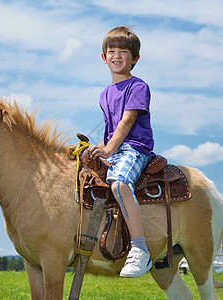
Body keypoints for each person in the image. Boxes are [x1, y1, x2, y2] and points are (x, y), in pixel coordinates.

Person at [88, 26, 155, 278]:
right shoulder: (104, 93)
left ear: (135, 58)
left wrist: (107, 149)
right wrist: (98, 152)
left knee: (119, 184)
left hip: (135, 147)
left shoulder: (138, 87)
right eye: (111, 51)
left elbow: (126, 122)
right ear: (103, 57)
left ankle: (140, 249)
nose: (117, 56)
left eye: (124, 51)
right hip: (114, 148)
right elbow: (110, 128)